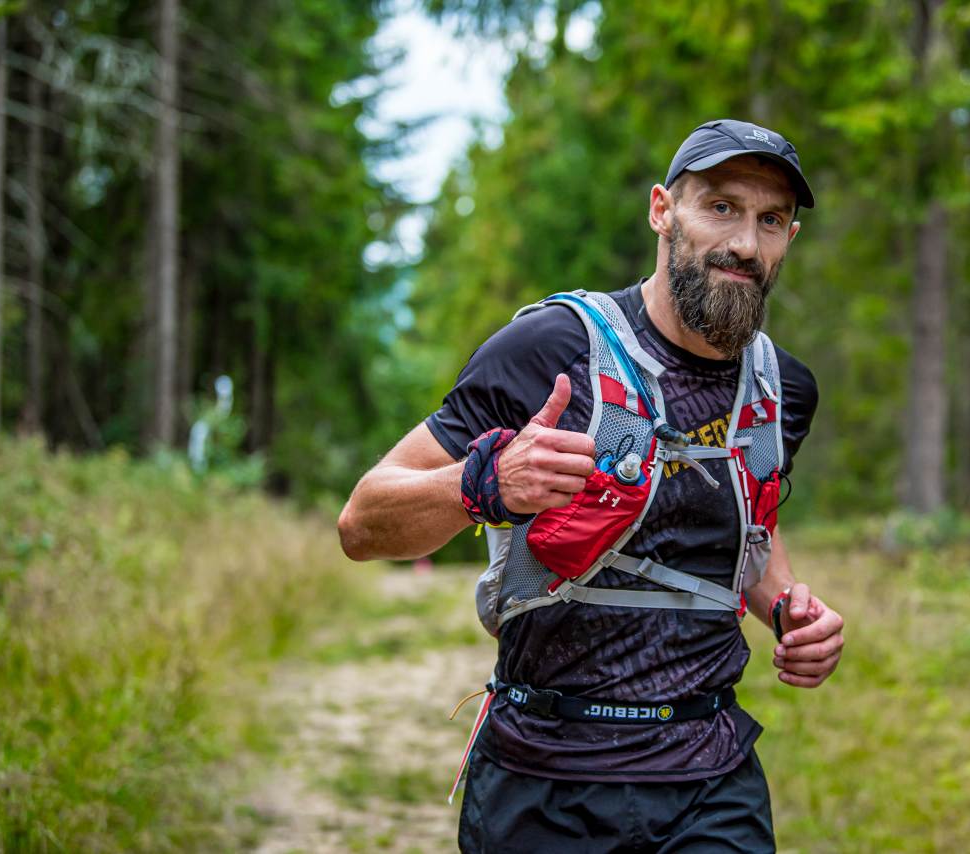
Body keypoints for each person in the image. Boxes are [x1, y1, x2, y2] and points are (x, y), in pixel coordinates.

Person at [338, 119, 845, 853]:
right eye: (721, 207)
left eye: (771, 220)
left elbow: (748, 532)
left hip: (711, 776)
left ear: (788, 240)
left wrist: (792, 613)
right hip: (546, 779)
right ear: (662, 211)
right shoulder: (552, 347)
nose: (745, 242)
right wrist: (485, 482)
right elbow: (361, 523)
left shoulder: (782, 389)